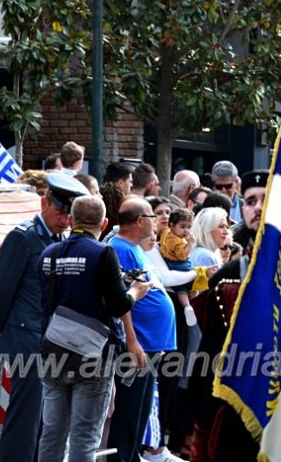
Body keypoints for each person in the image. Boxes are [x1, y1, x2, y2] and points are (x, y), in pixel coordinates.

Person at [37, 195, 150, 462]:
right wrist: (134, 291)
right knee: (84, 436)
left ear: (72, 220)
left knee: (52, 433)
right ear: (105, 222)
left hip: (52, 350)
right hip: (93, 354)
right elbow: (117, 304)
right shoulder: (103, 252)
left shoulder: (49, 253)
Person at [0, 174, 89, 462]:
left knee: (47, 420)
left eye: (71, 214)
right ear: (45, 202)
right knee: (25, 419)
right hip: (26, 338)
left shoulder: (60, 239)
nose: (65, 219)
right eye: (60, 210)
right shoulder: (24, 236)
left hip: (51, 340)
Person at [188, 169, 268, 461]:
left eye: (265, 199)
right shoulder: (226, 276)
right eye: (250, 201)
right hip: (237, 399)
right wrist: (203, 411)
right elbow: (211, 347)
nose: (258, 207)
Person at [107, 198, 178, 462]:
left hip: (151, 343)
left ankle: (132, 455)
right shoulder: (118, 249)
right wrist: (131, 340)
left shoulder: (135, 249)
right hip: (138, 345)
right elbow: (121, 299)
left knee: (140, 411)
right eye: (152, 216)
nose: (158, 221)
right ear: (140, 221)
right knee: (128, 413)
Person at [159, 208, 196, 320]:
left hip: (169, 263)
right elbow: (182, 255)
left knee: (181, 290)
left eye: (189, 227)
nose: (186, 231)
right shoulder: (177, 241)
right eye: (182, 226)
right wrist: (190, 243)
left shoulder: (167, 232)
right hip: (180, 265)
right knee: (193, 283)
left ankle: (187, 306)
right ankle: (193, 302)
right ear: (172, 225)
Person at [231, 170, 268, 256]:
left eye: (266, 201)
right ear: (243, 210)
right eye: (251, 202)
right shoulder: (231, 249)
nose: (258, 207)